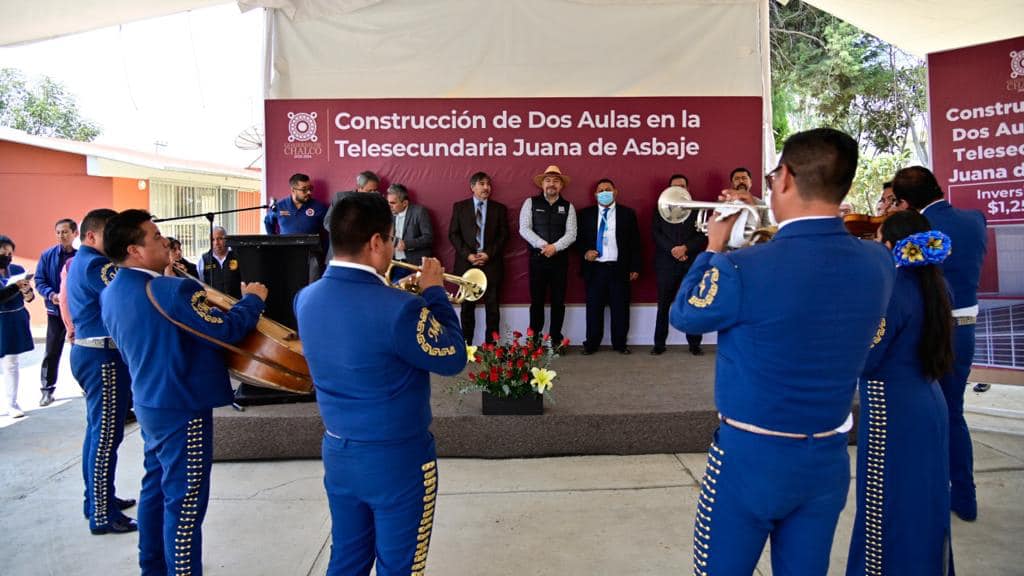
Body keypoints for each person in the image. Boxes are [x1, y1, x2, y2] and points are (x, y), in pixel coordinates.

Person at [671, 128, 895, 575]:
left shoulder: (741, 267)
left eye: (773, 177)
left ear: (786, 179)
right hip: (828, 458)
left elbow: (686, 315)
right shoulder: (878, 263)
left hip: (749, 457)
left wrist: (714, 246)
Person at [295, 193, 466, 576]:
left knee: (347, 561)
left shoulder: (305, 299)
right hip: (397, 460)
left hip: (339, 452)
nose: (392, 248)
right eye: (390, 240)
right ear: (375, 243)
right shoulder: (401, 309)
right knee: (400, 566)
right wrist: (435, 293)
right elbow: (454, 357)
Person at [101, 209, 267, 575]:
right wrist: (253, 299)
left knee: (156, 488)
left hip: (149, 400)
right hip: (182, 404)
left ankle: (153, 567)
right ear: (135, 250)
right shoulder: (171, 289)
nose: (165, 242)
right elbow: (227, 329)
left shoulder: (112, 291)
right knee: (185, 502)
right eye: (156, 237)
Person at [846, 210, 955, 575]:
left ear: (892, 246)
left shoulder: (892, 292)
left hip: (893, 412)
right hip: (926, 403)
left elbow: (867, 358)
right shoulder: (936, 286)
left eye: (878, 240)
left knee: (885, 508)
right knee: (924, 505)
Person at [892, 165, 988, 522]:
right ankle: (964, 496)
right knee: (953, 413)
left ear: (904, 202)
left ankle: (923, 494)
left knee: (918, 415)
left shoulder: (920, 231)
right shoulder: (976, 220)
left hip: (929, 332)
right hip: (966, 330)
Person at [66, 208, 138, 534]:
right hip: (102, 358)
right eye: (110, 234)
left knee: (97, 432)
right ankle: (102, 513)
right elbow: (126, 287)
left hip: (94, 354)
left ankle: (96, 499)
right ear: (92, 236)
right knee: (106, 437)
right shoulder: (96, 265)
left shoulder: (82, 262)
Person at [578, 178, 641, 355]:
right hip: (595, 269)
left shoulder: (627, 214)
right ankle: (591, 343)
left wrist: (635, 267)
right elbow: (578, 240)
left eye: (608, 189)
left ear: (615, 192)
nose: (604, 192)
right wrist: (585, 252)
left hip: (619, 268)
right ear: (595, 194)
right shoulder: (585, 214)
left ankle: (620, 344)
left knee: (620, 308)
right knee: (593, 309)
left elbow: (635, 242)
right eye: (601, 190)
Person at [519, 165, 577, 347]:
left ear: (561, 186)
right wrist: (543, 246)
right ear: (542, 184)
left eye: (556, 181)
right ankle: (534, 341)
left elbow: (572, 233)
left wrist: (555, 247)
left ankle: (555, 340)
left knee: (558, 302)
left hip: (560, 261)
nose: (552, 184)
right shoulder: (530, 203)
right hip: (537, 259)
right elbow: (524, 228)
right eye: (548, 180)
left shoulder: (568, 207)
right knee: (537, 302)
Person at [448, 171, 508, 344]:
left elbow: (504, 236)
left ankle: (492, 348)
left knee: (493, 307)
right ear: (472, 187)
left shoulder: (499, 209)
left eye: (488, 184)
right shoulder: (459, 207)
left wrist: (488, 253)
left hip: (491, 264)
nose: (486, 187)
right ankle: (466, 346)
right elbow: (453, 234)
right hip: (467, 264)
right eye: (482, 184)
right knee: (467, 307)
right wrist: (468, 255)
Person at [651, 174, 708, 356]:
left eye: (683, 185)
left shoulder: (698, 208)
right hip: (666, 263)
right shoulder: (660, 208)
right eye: (676, 186)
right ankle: (659, 344)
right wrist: (674, 250)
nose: (680, 189)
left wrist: (685, 248)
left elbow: (703, 234)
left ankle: (694, 344)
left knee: (692, 303)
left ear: (688, 189)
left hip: (690, 262)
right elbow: (656, 233)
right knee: (664, 305)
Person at [35, 218, 78, 406]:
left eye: (65, 232)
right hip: (54, 311)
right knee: (52, 351)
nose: (61, 236)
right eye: (58, 232)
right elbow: (39, 280)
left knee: (79, 349)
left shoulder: (81, 257)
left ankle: (86, 386)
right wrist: (51, 294)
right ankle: (47, 390)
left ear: (75, 233)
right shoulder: (47, 255)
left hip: (76, 313)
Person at [1, 235, 34, 418]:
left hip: (13, 321)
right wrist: (16, 287)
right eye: (3, 252)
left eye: (9, 252)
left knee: (11, 363)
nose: (7, 256)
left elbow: (28, 297)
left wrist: (26, 290)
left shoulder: (16, 270)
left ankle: (12, 403)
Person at [325, 170, 382, 261]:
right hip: (339, 255)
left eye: (375, 190)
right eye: (369, 190)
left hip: (363, 258)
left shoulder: (377, 204)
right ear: (359, 187)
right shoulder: (341, 198)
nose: (372, 194)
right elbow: (327, 222)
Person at [387, 183, 434, 282]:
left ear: (405, 203)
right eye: (388, 202)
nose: (389, 206)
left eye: (393, 203)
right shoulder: (388, 214)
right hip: (394, 265)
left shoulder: (420, 212)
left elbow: (429, 238)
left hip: (414, 265)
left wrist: (407, 244)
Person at [197, 226, 242, 299]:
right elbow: (200, 284)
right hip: (214, 306)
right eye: (213, 240)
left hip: (236, 304)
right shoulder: (204, 260)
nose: (216, 243)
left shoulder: (237, 256)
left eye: (220, 239)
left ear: (226, 239)